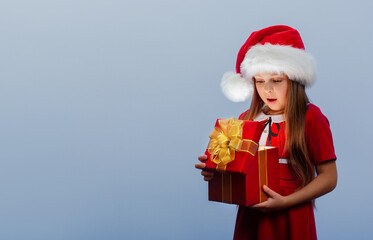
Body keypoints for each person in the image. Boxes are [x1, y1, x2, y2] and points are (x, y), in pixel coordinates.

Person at [195, 25, 337, 240]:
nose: (267, 89)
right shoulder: (246, 118)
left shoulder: (311, 118)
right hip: (252, 217)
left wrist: (286, 201)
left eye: (276, 81)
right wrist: (216, 173)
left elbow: (329, 177)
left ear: (294, 79)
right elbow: (241, 169)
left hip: (292, 216)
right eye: (259, 81)